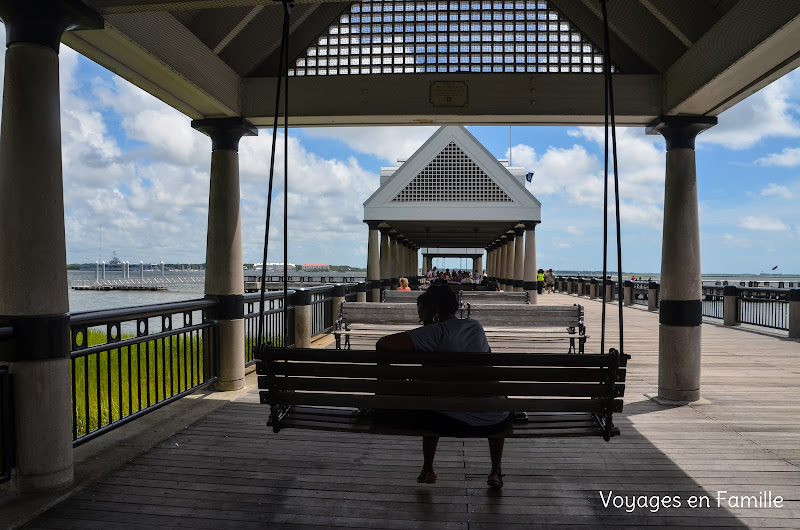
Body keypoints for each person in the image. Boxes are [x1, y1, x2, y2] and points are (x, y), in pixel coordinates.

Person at [375, 285, 513, 489]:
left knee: (431, 402)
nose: (420, 319)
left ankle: (428, 468)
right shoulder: (475, 326)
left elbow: (383, 344)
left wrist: (386, 381)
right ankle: (496, 470)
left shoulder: (433, 331)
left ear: (435, 310)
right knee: (496, 401)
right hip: (496, 421)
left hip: (450, 421)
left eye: (421, 313)